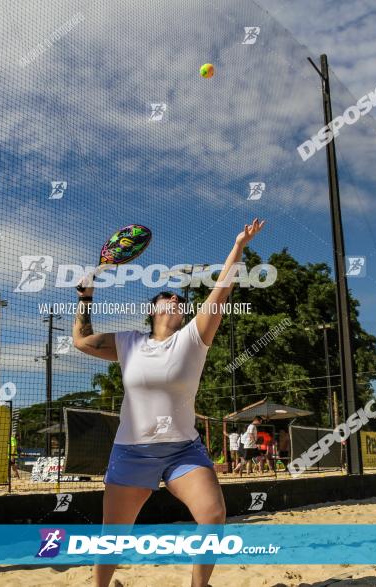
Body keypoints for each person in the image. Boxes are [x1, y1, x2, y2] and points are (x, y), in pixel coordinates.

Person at [73, 218, 265, 587]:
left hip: (183, 451)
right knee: (112, 537)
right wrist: (84, 298)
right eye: (167, 297)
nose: (176, 299)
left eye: (180, 298)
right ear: (153, 309)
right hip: (132, 451)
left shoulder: (194, 337)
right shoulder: (129, 342)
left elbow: (221, 290)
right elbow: (81, 341)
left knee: (212, 514)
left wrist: (239, 245)